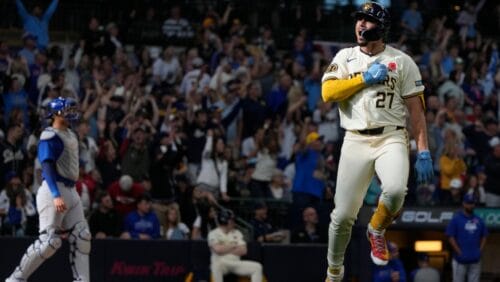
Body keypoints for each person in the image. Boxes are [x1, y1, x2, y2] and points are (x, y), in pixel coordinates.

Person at [321, 2, 433, 281]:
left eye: (368, 20)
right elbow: (328, 92)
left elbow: (416, 112)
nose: (361, 24)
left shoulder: (402, 61)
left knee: (395, 190)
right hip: (355, 140)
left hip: (391, 136)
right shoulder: (346, 56)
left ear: (381, 28)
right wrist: (363, 79)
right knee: (342, 216)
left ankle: (377, 229)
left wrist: (424, 151)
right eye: (359, 19)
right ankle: (334, 271)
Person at [5, 97, 91, 282]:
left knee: (83, 236)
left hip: (71, 189)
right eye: (66, 110)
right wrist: (55, 195)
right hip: (54, 189)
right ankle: (15, 279)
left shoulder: (70, 134)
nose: (70, 113)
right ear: (56, 114)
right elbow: (47, 167)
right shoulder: (49, 136)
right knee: (50, 242)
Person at [208, 209, 263, 282]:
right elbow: (218, 249)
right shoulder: (213, 233)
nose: (234, 222)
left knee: (257, 267)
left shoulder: (237, 232)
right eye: (231, 220)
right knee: (216, 266)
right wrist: (233, 246)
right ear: (224, 220)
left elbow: (243, 251)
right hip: (221, 263)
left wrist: (224, 247)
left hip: (235, 263)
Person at [446, 193, 488, 282]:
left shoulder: (479, 219)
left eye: (472, 203)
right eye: (468, 203)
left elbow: (484, 235)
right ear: (464, 204)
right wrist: (459, 252)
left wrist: (479, 250)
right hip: (460, 259)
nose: (470, 205)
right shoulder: (456, 219)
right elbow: (450, 236)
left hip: (475, 259)